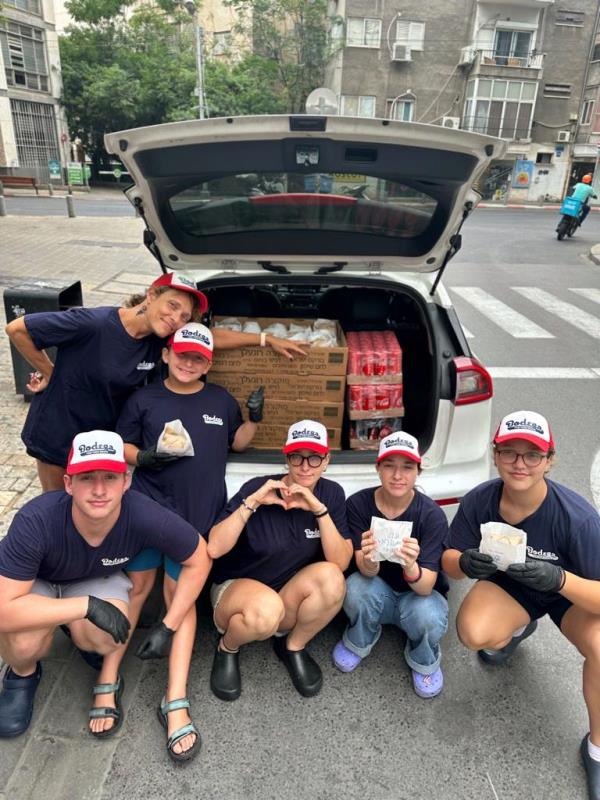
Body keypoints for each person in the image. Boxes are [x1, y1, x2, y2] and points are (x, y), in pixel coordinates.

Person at [5, 271, 305, 492]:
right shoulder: (94, 323)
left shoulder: (158, 336)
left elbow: (209, 338)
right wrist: (50, 371)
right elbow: (18, 328)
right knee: (58, 505)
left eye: (184, 316)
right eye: (172, 306)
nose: (176, 318)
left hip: (107, 435)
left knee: (94, 505)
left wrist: (266, 339)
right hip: (60, 431)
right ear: (151, 296)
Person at [110, 322, 261, 760]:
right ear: (167, 355)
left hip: (195, 519)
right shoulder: (144, 398)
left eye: (198, 357)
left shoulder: (219, 400)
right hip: (146, 510)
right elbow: (122, 446)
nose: (189, 362)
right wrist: (144, 456)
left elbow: (239, 444)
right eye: (182, 354)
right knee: (136, 590)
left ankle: (173, 699)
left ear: (208, 363)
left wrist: (253, 418)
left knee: (182, 600)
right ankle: (110, 675)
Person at [0, 430, 211, 744]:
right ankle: (23, 673)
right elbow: (4, 609)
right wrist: (86, 607)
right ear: (68, 483)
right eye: (86, 477)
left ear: (126, 481)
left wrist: (168, 626)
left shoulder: (143, 514)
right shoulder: (36, 520)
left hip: (92, 578)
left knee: (107, 636)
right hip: (39, 582)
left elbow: (199, 557)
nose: (99, 490)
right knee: (24, 642)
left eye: (110, 477)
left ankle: (75, 630)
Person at [442, 410, 600, 800]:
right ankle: (519, 625)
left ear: (549, 460)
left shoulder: (577, 520)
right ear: (494, 455)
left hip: (569, 595)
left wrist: (559, 579)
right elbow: (448, 557)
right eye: (510, 452)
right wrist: (463, 562)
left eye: (532, 455)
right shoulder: (481, 499)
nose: (520, 463)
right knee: (474, 632)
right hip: (514, 590)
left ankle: (597, 747)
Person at [207, 420, 352, 701]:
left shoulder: (331, 494)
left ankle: (292, 645)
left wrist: (319, 510)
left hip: (284, 595)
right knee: (266, 609)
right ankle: (227, 647)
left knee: (332, 578)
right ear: (287, 459)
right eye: (297, 457)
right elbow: (214, 547)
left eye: (314, 457)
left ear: (326, 460)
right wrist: (253, 502)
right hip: (236, 591)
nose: (305, 466)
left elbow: (341, 562)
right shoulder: (258, 488)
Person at [332, 432, 449, 698]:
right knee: (354, 588)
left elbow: (426, 586)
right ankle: (360, 637)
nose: (398, 475)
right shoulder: (358, 504)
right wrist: (370, 560)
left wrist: (411, 567)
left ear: (418, 471)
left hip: (417, 596)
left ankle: (424, 659)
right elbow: (364, 569)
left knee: (429, 615)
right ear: (377, 468)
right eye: (389, 465)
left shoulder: (432, 516)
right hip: (377, 589)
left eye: (407, 467)